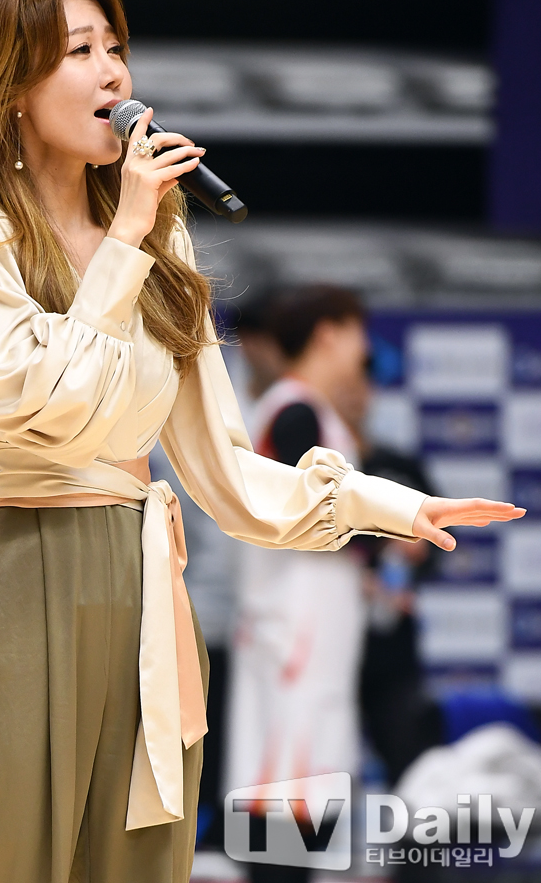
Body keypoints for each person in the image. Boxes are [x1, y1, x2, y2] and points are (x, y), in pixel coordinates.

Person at [0, 0, 525, 883]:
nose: (113, 73)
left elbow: (225, 470)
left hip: (148, 598)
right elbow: (45, 400)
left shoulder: (161, 242)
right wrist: (124, 238)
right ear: (14, 85)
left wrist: (389, 505)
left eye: (116, 48)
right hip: (20, 578)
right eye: (79, 51)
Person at [225, 285, 372, 883]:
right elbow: (309, 512)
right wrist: (389, 532)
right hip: (296, 626)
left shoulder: (309, 409)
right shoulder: (295, 412)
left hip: (313, 627)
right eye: (358, 333)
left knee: (306, 777)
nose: (364, 350)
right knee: (285, 783)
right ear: (328, 334)